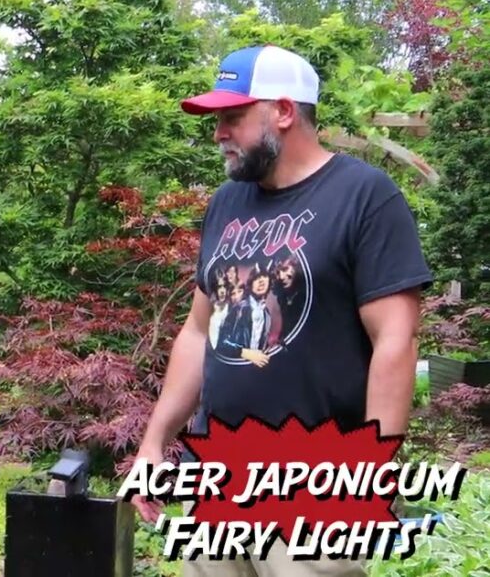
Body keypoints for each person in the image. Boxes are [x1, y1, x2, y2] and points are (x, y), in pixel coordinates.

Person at [129, 45, 433, 576]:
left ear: (284, 112)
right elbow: (199, 333)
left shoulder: (365, 197)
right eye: (216, 119)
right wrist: (154, 443)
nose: (219, 132)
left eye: (232, 117)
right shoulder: (228, 202)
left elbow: (396, 342)